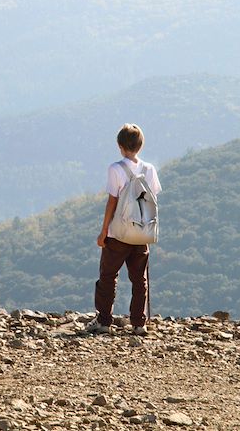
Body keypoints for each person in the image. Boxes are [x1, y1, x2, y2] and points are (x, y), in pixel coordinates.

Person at [89, 123, 162, 336]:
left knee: (108, 276)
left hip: (118, 234)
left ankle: (103, 321)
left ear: (120, 146)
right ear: (140, 145)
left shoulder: (116, 169)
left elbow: (112, 201)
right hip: (141, 233)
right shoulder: (149, 169)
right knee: (139, 279)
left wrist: (104, 231)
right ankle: (139, 323)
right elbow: (152, 200)